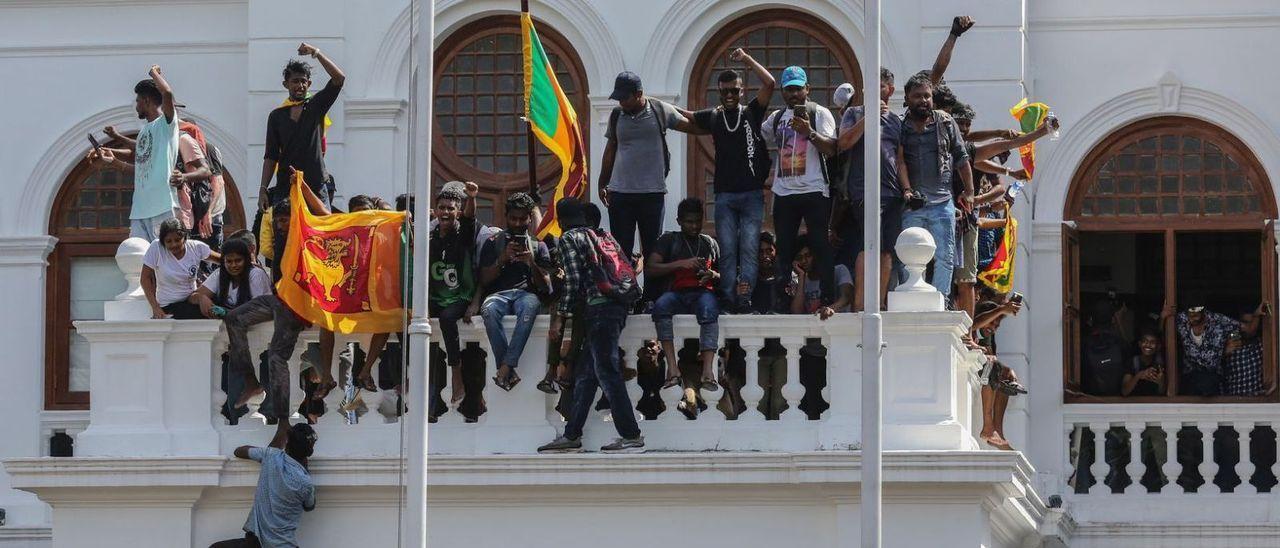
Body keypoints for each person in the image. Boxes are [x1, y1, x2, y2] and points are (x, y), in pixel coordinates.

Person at [539, 198, 644, 454]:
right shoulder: (603, 235)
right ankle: (572, 434)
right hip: (617, 307)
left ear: (562, 221)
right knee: (586, 375)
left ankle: (631, 434)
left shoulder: (569, 239)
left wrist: (561, 316)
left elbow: (573, 281)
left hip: (598, 310)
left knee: (607, 372)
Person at [224, 177, 330, 420]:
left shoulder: (308, 236)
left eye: (284, 220)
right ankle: (251, 381)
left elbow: (324, 214)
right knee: (233, 319)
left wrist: (303, 187)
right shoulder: (280, 238)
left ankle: (283, 423)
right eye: (278, 221)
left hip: (297, 306)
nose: (280, 225)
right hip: (279, 299)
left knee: (276, 357)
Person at [685, 48, 775, 311]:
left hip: (752, 195)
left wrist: (747, 59)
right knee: (727, 249)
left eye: (734, 90)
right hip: (724, 195)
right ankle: (727, 298)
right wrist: (656, 106)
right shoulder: (714, 116)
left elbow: (770, 83)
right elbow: (686, 118)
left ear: (742, 91)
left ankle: (745, 297)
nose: (729, 96)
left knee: (748, 247)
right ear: (719, 92)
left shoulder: (751, 113)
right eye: (724, 91)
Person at [597, 71, 699, 291]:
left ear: (639, 93)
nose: (622, 102)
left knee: (652, 249)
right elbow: (611, 149)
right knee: (621, 249)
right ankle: (625, 294)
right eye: (619, 98)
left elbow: (692, 127)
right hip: (620, 193)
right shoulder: (617, 116)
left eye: (626, 97)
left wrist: (714, 120)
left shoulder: (659, 110)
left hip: (651, 193)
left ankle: (651, 297)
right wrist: (602, 182)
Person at [761, 66, 839, 307]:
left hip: (814, 189)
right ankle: (783, 300)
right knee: (783, 248)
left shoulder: (820, 113)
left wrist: (809, 132)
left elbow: (832, 149)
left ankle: (827, 298)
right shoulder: (775, 118)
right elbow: (759, 137)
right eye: (788, 90)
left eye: (797, 89)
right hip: (784, 191)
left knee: (819, 244)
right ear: (782, 92)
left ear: (807, 89)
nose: (793, 94)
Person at [895, 72, 973, 298]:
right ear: (908, 99)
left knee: (945, 255)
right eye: (917, 96)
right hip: (914, 203)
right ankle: (907, 298)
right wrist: (907, 190)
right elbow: (900, 161)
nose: (923, 100)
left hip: (942, 202)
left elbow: (961, 158)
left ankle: (941, 299)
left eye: (927, 96)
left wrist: (969, 192)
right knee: (907, 253)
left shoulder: (946, 122)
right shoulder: (901, 126)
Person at [831, 67, 902, 312]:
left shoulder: (896, 120)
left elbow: (900, 158)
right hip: (863, 191)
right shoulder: (853, 113)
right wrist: (868, 117)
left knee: (887, 251)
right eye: (869, 89)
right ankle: (860, 305)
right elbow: (844, 142)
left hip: (892, 193)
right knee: (867, 245)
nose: (874, 93)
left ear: (890, 90)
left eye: (880, 88)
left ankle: (879, 304)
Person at [88, 65, 181, 242]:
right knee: (137, 260)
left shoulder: (166, 124)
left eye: (138, 101)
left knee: (163, 258)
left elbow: (167, 93)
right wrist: (112, 158)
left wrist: (153, 73)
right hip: (140, 209)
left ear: (146, 101)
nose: (136, 105)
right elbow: (140, 157)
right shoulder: (145, 130)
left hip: (161, 205)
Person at [479, 192, 551, 391]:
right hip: (498, 295)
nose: (518, 223)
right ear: (506, 217)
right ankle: (508, 367)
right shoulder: (493, 242)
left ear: (530, 218)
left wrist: (531, 263)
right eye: (513, 218)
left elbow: (546, 285)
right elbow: (484, 279)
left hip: (526, 296)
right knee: (488, 311)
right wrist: (501, 260)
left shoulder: (539, 245)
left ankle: (505, 368)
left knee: (529, 309)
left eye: (522, 219)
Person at [648, 198, 722, 393]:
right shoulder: (669, 240)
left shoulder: (709, 243)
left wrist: (712, 275)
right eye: (689, 222)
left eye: (698, 221)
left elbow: (725, 274)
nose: (695, 226)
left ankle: (708, 371)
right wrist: (682, 263)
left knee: (709, 309)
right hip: (677, 293)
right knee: (661, 306)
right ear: (679, 220)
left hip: (702, 292)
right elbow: (651, 268)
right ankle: (672, 368)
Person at [260, 43, 345, 211]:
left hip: (315, 183)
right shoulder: (276, 116)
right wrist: (263, 189)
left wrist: (316, 53)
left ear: (309, 83)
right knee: (286, 232)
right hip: (286, 184)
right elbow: (271, 156)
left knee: (321, 231)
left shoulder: (316, 106)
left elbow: (339, 78)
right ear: (286, 84)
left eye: (303, 81)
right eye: (295, 81)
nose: (300, 85)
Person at [209, 424, 317, 548]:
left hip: (255, 543)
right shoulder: (306, 483)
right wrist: (305, 469)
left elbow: (239, 451)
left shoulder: (271, 456)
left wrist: (281, 431)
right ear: (309, 450)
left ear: (287, 444)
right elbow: (310, 506)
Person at [428, 182, 483, 412]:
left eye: (451, 208)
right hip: (435, 296)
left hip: (459, 296)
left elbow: (470, 218)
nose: (446, 212)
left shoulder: (464, 234)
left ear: (457, 211)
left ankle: (456, 373)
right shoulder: (429, 237)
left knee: (448, 319)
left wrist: (471, 197)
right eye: (442, 208)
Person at [972, 298, 1026, 450]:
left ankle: (998, 432)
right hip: (974, 371)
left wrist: (1008, 372)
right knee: (992, 366)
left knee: (1005, 377)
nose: (993, 328)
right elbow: (973, 325)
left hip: (983, 374)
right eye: (991, 323)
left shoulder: (988, 337)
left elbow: (991, 356)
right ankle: (988, 426)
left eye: (997, 325)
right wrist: (1001, 309)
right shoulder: (973, 327)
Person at [141, 218, 218, 320]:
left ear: (185, 238)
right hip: (170, 306)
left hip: (192, 299)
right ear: (163, 242)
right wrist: (155, 307)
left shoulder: (196, 247)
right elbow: (145, 278)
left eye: (177, 240)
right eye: (168, 241)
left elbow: (225, 260)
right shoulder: (157, 248)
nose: (174, 245)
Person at [1168, 304, 1244, 396]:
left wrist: (1230, 342)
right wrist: (1163, 317)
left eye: (1195, 315)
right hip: (1190, 376)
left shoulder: (1218, 321)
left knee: (1208, 384)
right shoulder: (1181, 320)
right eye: (1189, 316)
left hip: (1212, 376)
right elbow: (1164, 331)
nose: (1192, 319)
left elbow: (1243, 329)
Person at [189, 238, 272, 318]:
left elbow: (261, 309)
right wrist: (201, 298)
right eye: (229, 261)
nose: (233, 265)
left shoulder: (256, 274)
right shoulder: (219, 273)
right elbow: (192, 297)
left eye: (238, 260)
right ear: (223, 262)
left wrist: (227, 313)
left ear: (246, 260)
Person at [789, 236, 853, 317]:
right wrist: (801, 276)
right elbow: (796, 312)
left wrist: (829, 309)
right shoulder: (799, 281)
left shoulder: (839, 270)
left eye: (808, 255)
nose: (804, 261)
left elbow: (847, 297)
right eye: (800, 258)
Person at [1223, 305, 1271, 396]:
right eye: (1244, 322)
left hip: (1258, 403)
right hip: (1233, 403)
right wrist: (1223, 353)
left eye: (1252, 322)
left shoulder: (1262, 346)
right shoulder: (1229, 344)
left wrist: (1257, 316)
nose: (1247, 326)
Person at [1122, 330, 1165, 397]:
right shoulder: (1133, 362)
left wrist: (1161, 382)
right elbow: (1124, 392)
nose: (1148, 345)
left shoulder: (1160, 364)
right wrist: (1139, 375)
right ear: (1139, 344)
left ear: (1158, 346)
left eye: (1152, 342)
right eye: (1145, 341)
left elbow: (1162, 393)